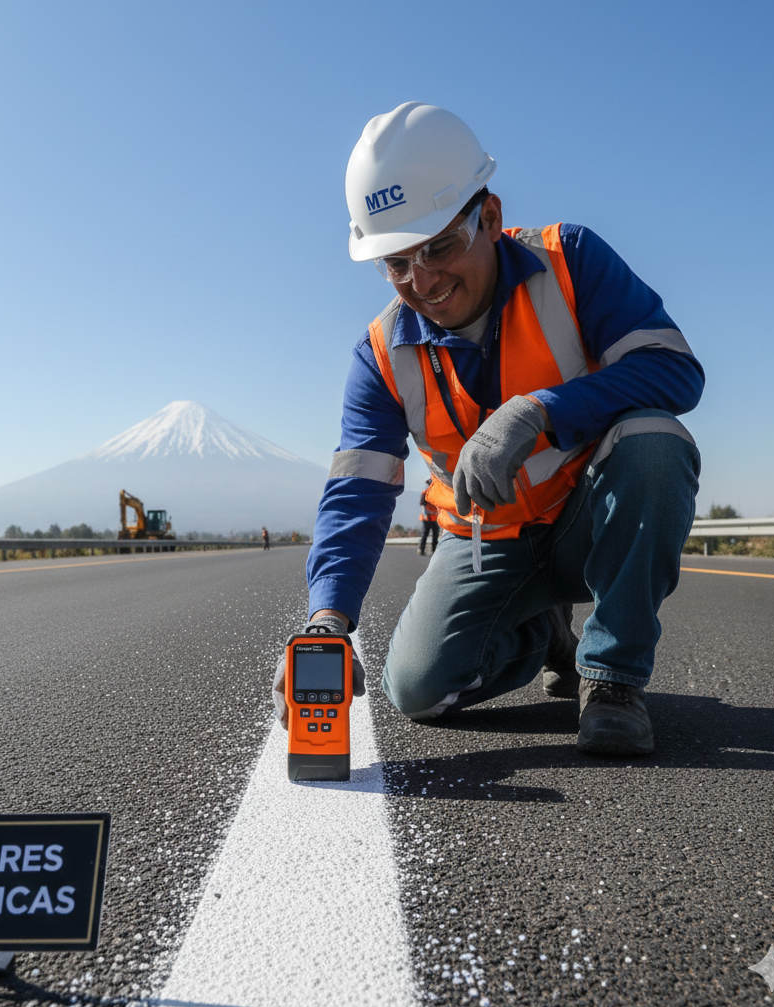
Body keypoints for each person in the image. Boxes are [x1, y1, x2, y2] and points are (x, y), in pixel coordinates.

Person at [274, 103, 702, 756]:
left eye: (439, 247)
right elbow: (357, 492)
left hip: (591, 520)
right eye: (395, 263)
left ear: (491, 217)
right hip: (490, 542)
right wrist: (327, 621)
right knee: (416, 689)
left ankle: (612, 678)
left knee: (655, 443)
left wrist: (542, 411)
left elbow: (674, 371)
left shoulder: (572, 262)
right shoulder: (380, 356)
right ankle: (544, 634)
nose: (422, 281)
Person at [418, 478, 439, 556]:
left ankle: (434, 550)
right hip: (427, 517)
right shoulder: (425, 493)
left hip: (435, 517)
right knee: (425, 533)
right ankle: (421, 549)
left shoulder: (436, 494)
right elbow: (422, 505)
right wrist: (425, 513)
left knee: (435, 534)